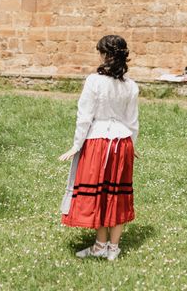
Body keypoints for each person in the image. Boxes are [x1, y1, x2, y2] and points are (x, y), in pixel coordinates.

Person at [59, 35, 139, 261]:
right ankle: (111, 248)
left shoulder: (94, 81)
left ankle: (101, 246)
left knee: (101, 195)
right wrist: (132, 143)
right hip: (122, 143)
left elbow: (84, 117)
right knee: (117, 194)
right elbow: (132, 121)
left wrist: (76, 145)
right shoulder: (131, 86)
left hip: (98, 143)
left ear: (105, 55)